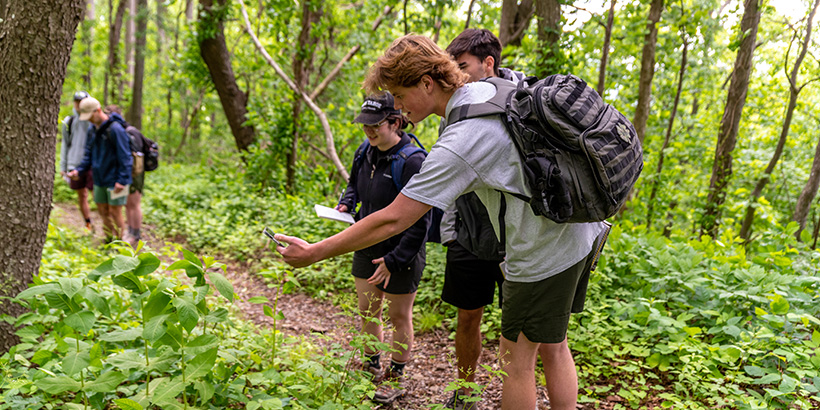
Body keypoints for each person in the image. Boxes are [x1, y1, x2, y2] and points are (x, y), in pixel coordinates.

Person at [275, 35, 607, 410]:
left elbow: (394, 219)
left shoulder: (463, 138)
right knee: (554, 343)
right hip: (582, 230)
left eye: (399, 95)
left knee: (515, 362)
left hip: (543, 251)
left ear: (428, 84)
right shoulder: (490, 88)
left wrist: (315, 251)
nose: (397, 108)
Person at [437, 28, 535, 409]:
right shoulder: (457, 109)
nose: (457, 77)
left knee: (528, 333)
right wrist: (450, 233)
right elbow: (447, 171)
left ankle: (518, 392)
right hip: (469, 234)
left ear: (488, 63)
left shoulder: (526, 103)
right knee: (467, 318)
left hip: (517, 239)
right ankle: (466, 393)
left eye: (463, 67)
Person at [335, 93, 431, 405]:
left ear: (395, 121)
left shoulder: (413, 161)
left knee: (399, 315)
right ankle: (370, 365)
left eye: (375, 125)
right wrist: (348, 202)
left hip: (403, 250)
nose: (368, 131)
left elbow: (421, 222)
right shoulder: (366, 150)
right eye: (365, 126)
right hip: (366, 243)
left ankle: (396, 374)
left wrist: (394, 260)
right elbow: (353, 184)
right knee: (367, 310)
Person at [68, 97, 132, 242]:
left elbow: (126, 157)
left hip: (116, 180)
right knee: (103, 211)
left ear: (98, 110)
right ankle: (109, 240)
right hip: (99, 178)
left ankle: (120, 243)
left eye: (90, 116)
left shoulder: (115, 129)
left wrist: (122, 180)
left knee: (115, 212)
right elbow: (88, 154)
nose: (89, 120)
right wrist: (79, 170)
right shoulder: (92, 130)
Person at [104, 105, 145, 247]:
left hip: (135, 173)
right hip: (127, 172)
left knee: (134, 204)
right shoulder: (122, 130)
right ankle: (131, 232)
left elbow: (135, 155)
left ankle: (136, 233)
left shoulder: (129, 131)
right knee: (128, 204)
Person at [59, 91, 94, 231]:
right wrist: (64, 166)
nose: (79, 104)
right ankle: (88, 224)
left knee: (97, 195)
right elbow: (65, 145)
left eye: (83, 101)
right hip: (74, 164)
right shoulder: (69, 121)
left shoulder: (93, 119)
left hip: (91, 164)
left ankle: (108, 227)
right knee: (82, 195)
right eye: (77, 101)